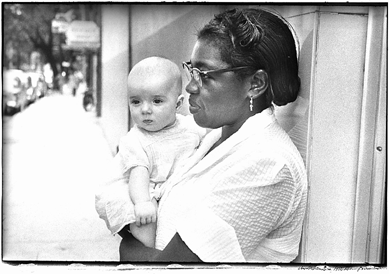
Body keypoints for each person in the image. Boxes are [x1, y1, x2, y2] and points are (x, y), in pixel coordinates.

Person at [95, 7, 307, 263]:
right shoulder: (212, 137)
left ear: (255, 84)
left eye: (205, 75)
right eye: (191, 70)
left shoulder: (270, 165)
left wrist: (128, 244)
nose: (190, 86)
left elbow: (169, 267)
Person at [96, 56, 206, 248]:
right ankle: (149, 254)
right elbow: (139, 175)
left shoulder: (190, 127)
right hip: (147, 190)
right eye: (136, 102)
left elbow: (205, 145)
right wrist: (142, 203)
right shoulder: (135, 140)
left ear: (178, 104)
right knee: (146, 220)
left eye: (156, 101)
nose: (145, 110)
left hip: (177, 185)